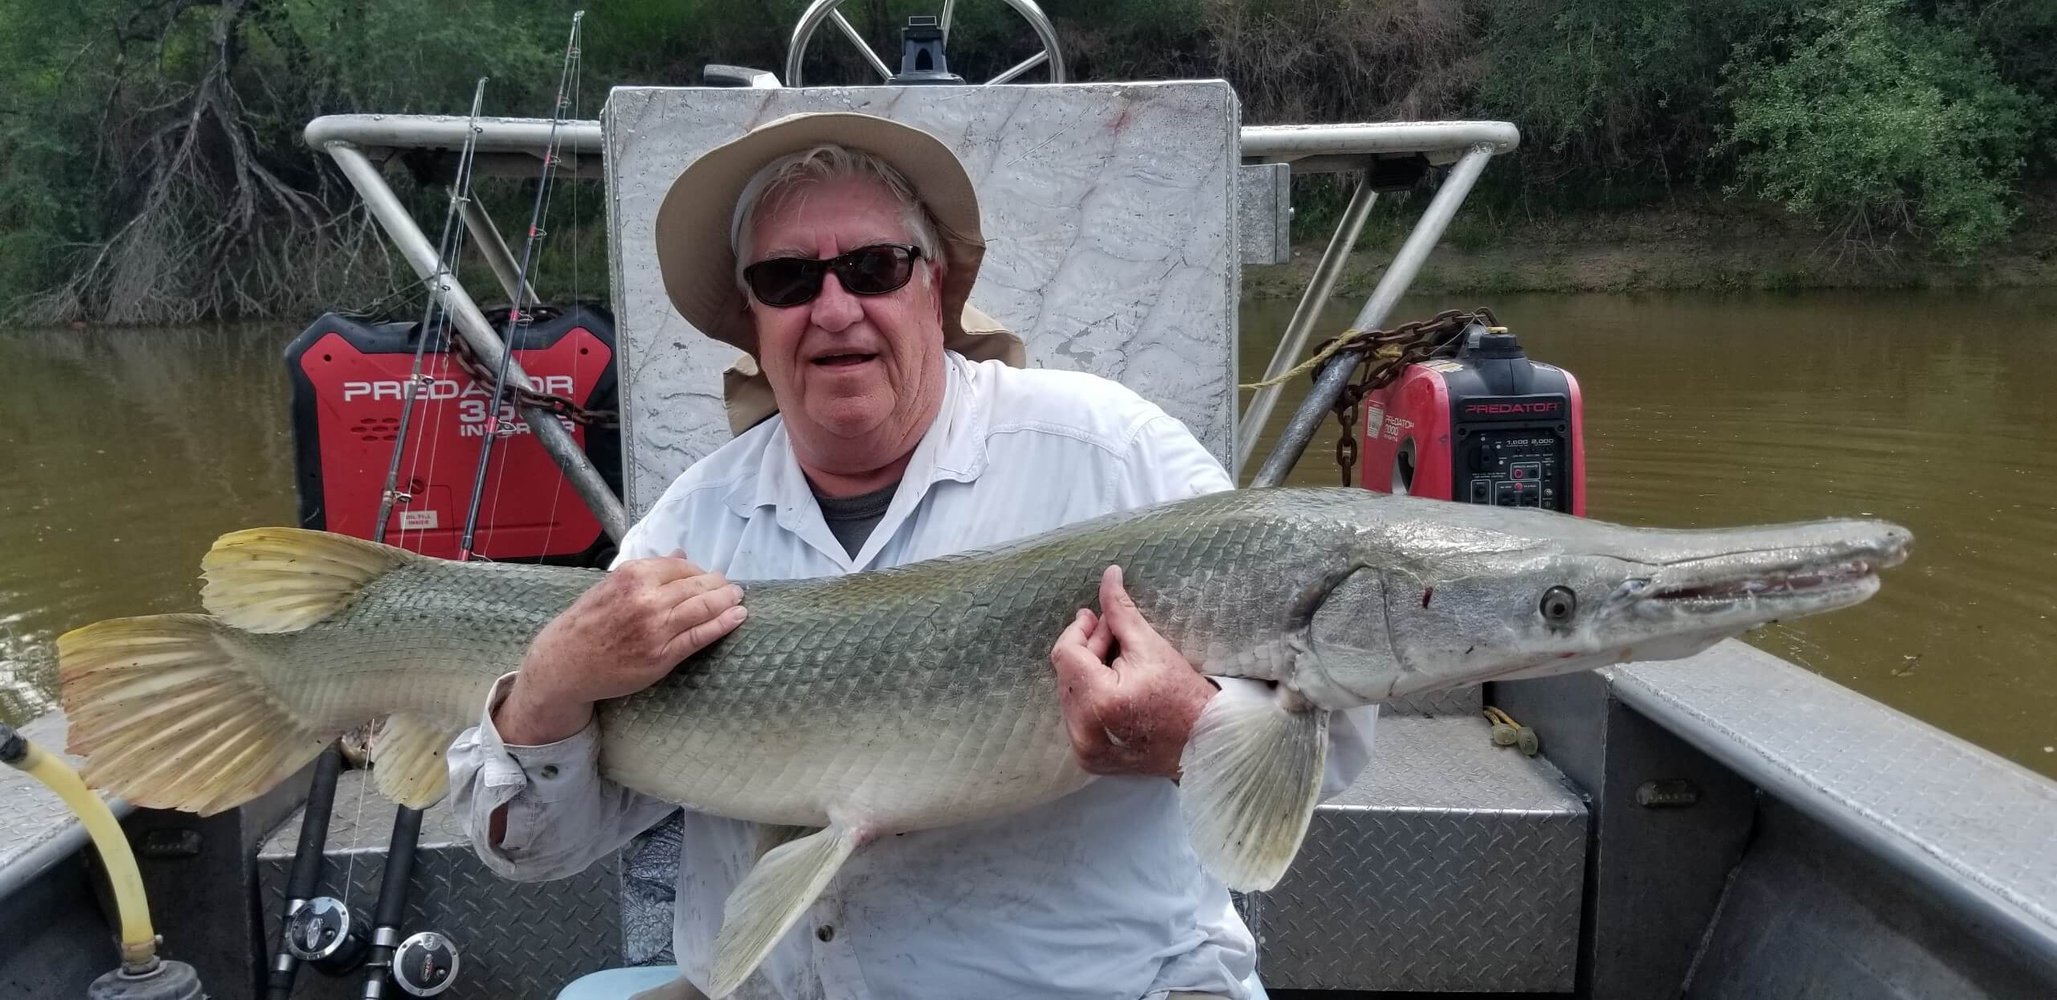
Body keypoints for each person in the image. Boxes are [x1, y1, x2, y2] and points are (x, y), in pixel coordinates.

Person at [445, 111, 1378, 1000]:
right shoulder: (691, 525)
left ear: (938, 286)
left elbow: (1332, 732)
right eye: (787, 280)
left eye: (875, 267)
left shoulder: (1115, 457)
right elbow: (533, 847)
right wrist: (544, 694)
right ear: (751, 316)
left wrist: (1194, 732)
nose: (834, 306)